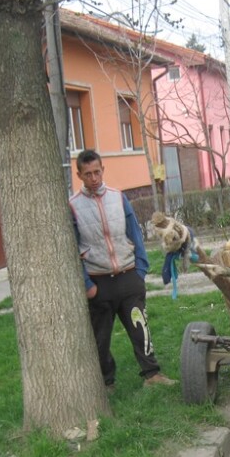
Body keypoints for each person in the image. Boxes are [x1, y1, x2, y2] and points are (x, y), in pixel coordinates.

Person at [69, 149, 176, 390]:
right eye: (88, 174)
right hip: (99, 284)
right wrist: (88, 286)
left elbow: (135, 234)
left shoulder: (119, 198)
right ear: (79, 175)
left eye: (97, 172)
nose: (94, 178)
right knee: (100, 340)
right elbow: (73, 249)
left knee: (141, 329)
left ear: (103, 170)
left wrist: (140, 271)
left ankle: (152, 374)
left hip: (129, 277)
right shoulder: (73, 206)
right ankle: (107, 382)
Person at [150, 211, 200, 299]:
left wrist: (167, 247)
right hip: (186, 232)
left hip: (184, 240)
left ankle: (167, 279)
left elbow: (174, 245)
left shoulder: (168, 232)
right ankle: (167, 279)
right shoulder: (169, 221)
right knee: (171, 258)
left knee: (176, 258)